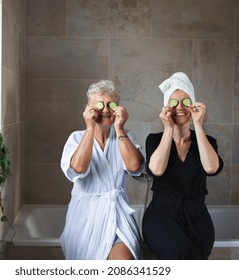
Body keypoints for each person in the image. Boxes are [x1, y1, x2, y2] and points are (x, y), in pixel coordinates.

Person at [142, 72, 224, 260]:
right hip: (162, 216)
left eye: (186, 102)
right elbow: (157, 169)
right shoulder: (154, 140)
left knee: (197, 255)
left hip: (197, 217)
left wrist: (199, 126)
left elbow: (211, 168)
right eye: (173, 103)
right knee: (178, 253)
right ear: (166, 108)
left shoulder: (207, 141)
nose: (180, 107)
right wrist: (169, 129)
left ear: (193, 105)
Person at [60, 80, 144, 260]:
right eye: (99, 105)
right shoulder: (76, 138)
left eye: (111, 104)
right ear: (88, 108)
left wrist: (119, 128)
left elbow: (135, 167)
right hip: (85, 216)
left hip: (117, 215)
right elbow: (79, 169)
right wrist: (90, 127)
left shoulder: (125, 136)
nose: (105, 110)